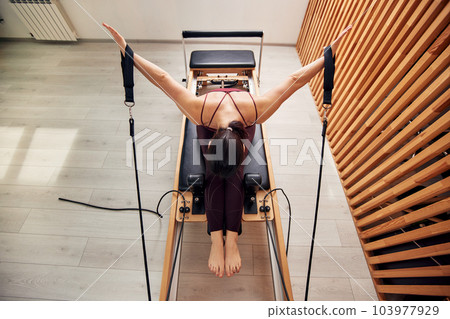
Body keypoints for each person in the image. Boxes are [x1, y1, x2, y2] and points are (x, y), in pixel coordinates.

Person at [103, 23, 351, 278]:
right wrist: (127, 51)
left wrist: (327, 57)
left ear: (244, 147)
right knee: (214, 174)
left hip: (242, 120)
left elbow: (295, 80)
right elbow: (163, 79)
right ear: (209, 143)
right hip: (212, 117)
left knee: (234, 174)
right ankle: (215, 240)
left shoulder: (258, 110)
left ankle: (230, 239)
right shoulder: (196, 109)